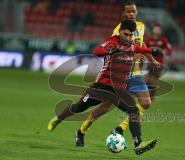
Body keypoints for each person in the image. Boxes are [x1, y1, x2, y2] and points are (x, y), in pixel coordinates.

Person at [48, 20, 160, 155]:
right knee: (79, 107)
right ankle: (59, 118)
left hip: (119, 90)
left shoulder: (131, 45)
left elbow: (139, 48)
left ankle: (138, 143)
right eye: (126, 34)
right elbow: (97, 52)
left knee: (133, 111)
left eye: (131, 35)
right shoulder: (112, 42)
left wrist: (150, 51)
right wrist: (112, 49)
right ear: (120, 32)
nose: (129, 38)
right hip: (102, 87)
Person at [73, 0, 160, 147]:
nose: (131, 14)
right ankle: (81, 131)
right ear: (123, 13)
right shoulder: (118, 30)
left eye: (133, 11)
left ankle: (120, 129)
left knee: (145, 102)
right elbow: (113, 50)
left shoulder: (141, 26)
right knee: (105, 107)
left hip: (135, 75)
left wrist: (151, 59)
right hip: (118, 76)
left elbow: (141, 44)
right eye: (128, 11)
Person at [145, 24, 173, 99]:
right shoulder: (148, 39)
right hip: (150, 63)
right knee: (147, 80)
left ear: (160, 31)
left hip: (159, 64)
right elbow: (144, 48)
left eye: (158, 30)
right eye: (156, 29)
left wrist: (165, 52)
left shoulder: (163, 40)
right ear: (153, 30)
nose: (157, 31)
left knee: (153, 80)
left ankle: (152, 97)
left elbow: (169, 48)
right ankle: (148, 96)